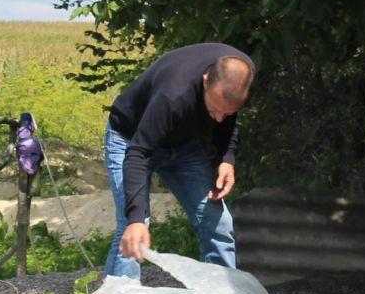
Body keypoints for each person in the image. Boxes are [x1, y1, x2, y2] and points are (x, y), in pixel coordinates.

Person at [103, 43, 254, 278]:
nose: (219, 118)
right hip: (130, 139)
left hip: (182, 145)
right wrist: (136, 219)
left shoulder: (240, 74)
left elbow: (226, 119)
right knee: (133, 228)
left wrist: (227, 158)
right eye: (214, 109)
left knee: (219, 223)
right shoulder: (173, 95)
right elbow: (138, 152)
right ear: (206, 80)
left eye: (227, 112)